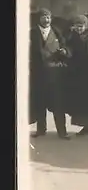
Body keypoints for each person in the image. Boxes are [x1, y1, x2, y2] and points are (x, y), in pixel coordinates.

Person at [30, 8, 71, 140]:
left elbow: (66, 49)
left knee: (58, 103)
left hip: (54, 74)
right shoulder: (32, 32)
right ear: (39, 18)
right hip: (38, 74)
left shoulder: (57, 32)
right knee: (40, 103)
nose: (46, 20)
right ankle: (41, 130)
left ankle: (62, 132)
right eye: (44, 17)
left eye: (48, 17)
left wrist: (64, 52)